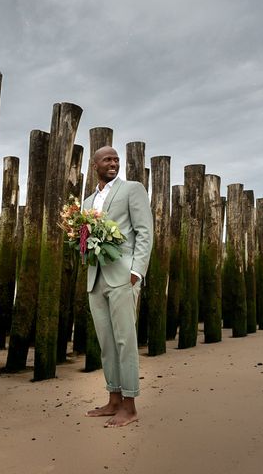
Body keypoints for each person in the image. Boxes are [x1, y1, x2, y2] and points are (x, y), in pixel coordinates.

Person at [83, 146, 153, 428]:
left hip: (123, 277)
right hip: (95, 278)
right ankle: (113, 400)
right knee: (107, 343)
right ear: (95, 165)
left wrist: (136, 271)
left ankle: (130, 405)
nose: (113, 163)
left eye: (116, 159)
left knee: (125, 341)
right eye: (107, 159)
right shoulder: (88, 201)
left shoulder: (132, 189)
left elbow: (144, 231)